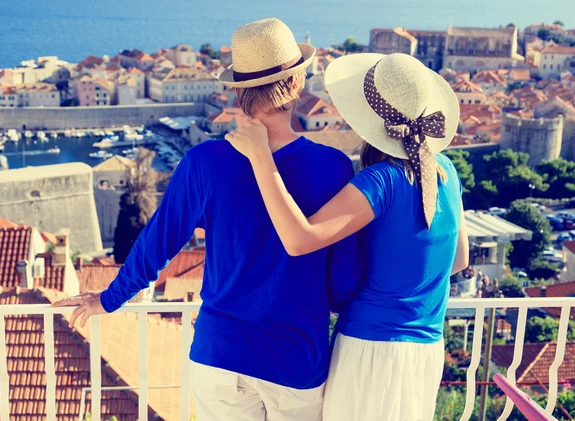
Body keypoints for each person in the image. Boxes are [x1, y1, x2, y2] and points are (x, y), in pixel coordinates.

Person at [52, 18, 360, 421]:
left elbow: (157, 243)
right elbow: (343, 283)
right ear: (297, 85)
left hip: (220, 357)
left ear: (237, 92)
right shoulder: (333, 168)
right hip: (296, 359)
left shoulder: (205, 162)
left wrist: (108, 300)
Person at [226, 53, 469, 420]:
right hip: (427, 351)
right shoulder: (445, 171)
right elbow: (460, 260)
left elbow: (299, 238)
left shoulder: (380, 182)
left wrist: (262, 158)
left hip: (370, 350)